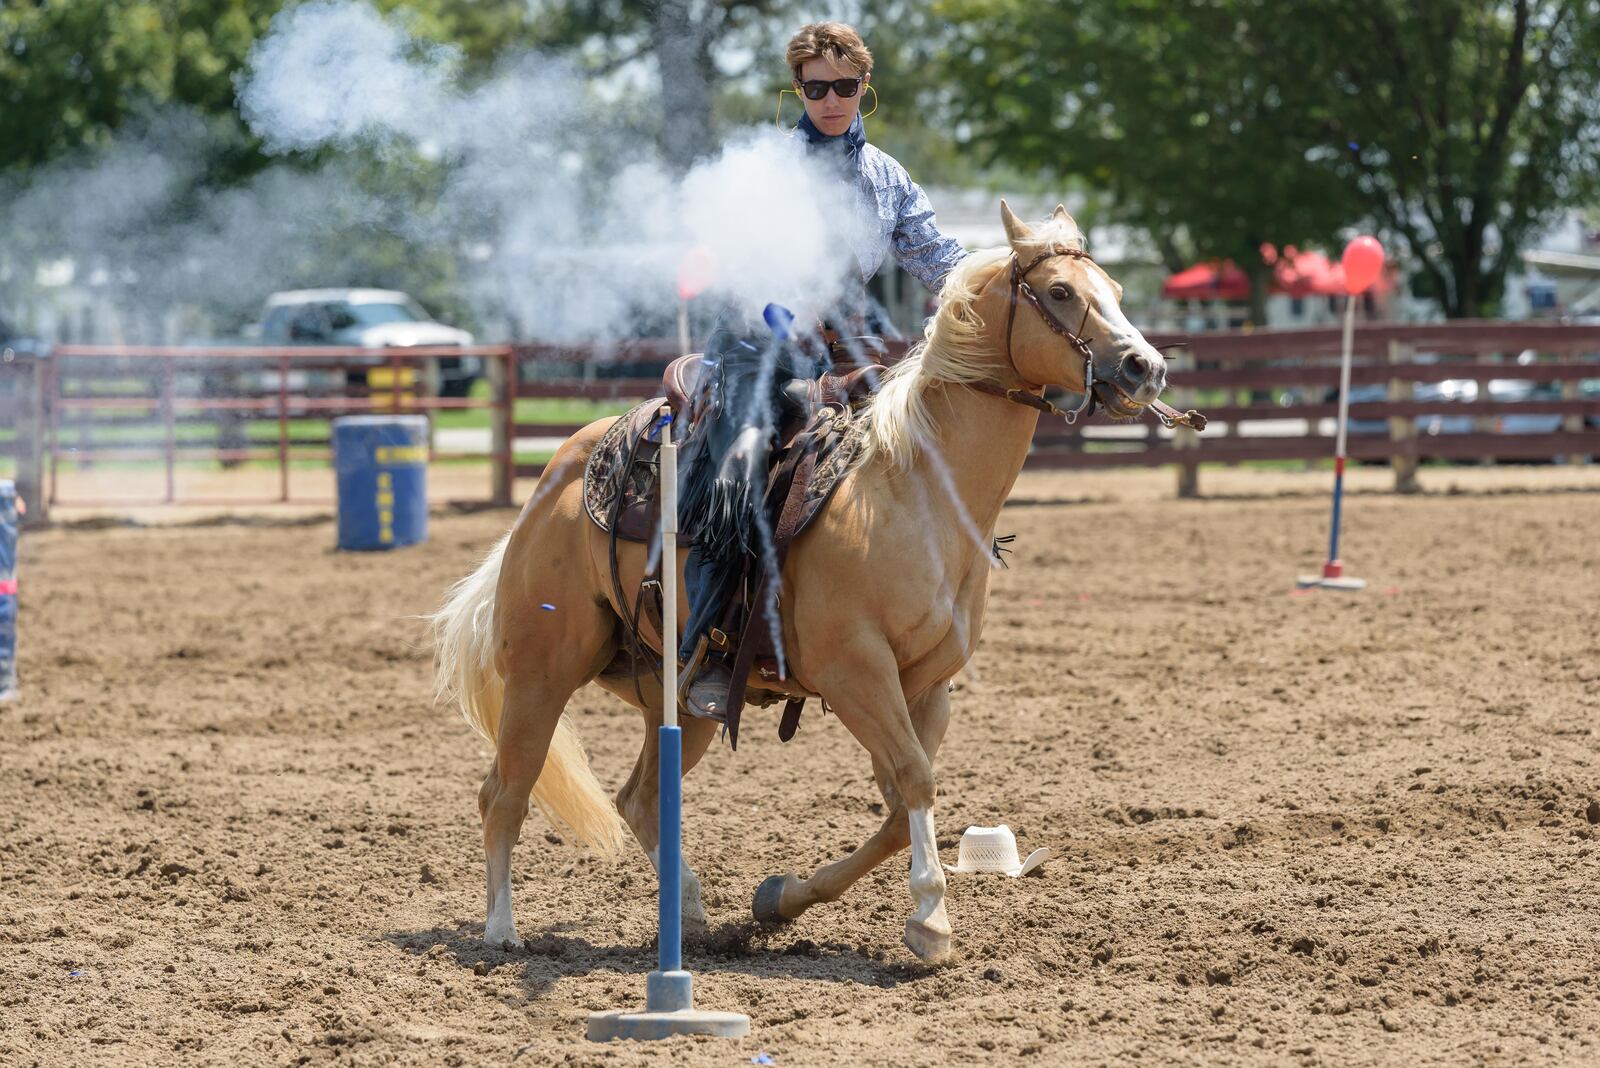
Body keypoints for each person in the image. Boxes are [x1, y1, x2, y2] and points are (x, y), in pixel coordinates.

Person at [679, 20, 968, 721]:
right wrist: (787, 318)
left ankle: (903, 617)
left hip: (852, 348)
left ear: (864, 87)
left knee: (926, 456)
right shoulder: (770, 171)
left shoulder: (886, 176)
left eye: (843, 85)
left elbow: (938, 258)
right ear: (797, 90)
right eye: (816, 87)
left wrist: (986, 286)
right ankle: (709, 649)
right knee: (738, 474)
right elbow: (737, 268)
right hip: (758, 346)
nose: (830, 99)